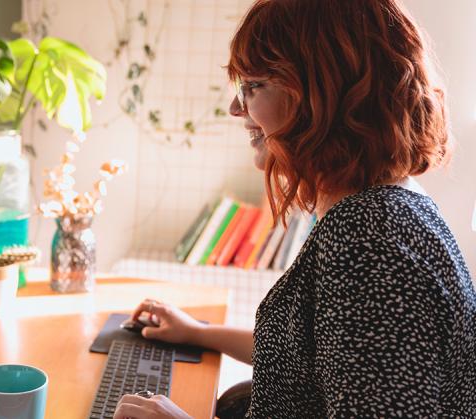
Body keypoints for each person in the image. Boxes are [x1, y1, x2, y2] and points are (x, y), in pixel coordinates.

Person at [115, 0, 475, 417]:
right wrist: (199, 332)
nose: (236, 109)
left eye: (253, 87)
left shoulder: (369, 242)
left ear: (323, 97)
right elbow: (314, 356)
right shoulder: (388, 206)